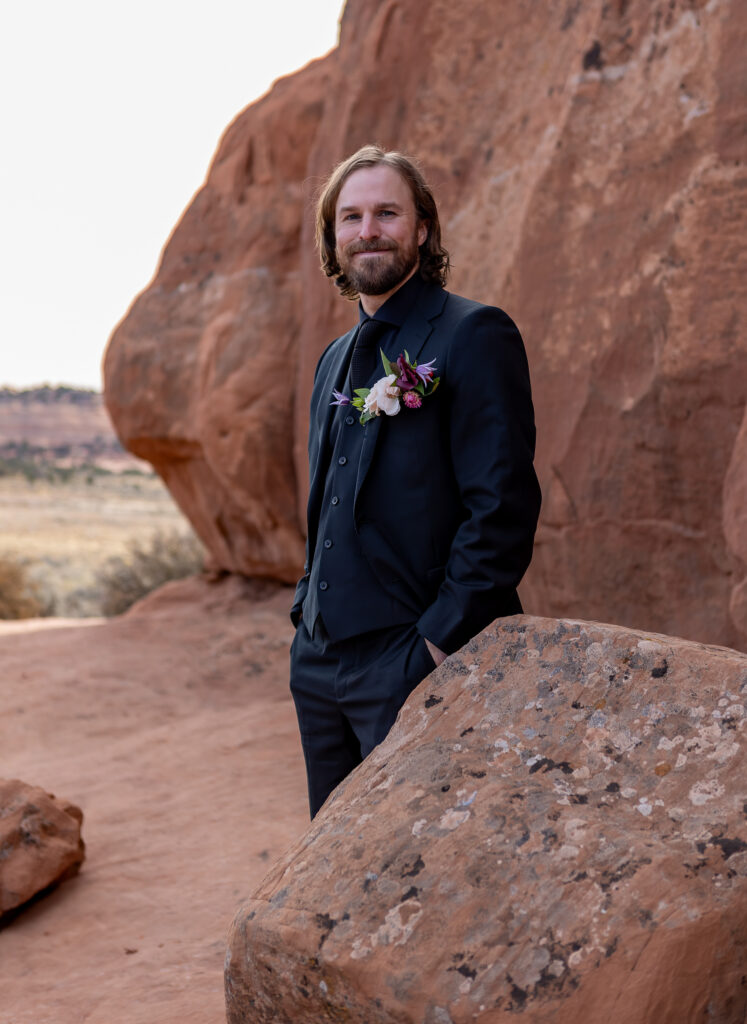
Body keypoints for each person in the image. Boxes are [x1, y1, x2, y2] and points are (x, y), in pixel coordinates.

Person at [290, 145, 541, 818]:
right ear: (333, 236)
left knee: (422, 854)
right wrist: (302, 612)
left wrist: (435, 642)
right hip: (317, 666)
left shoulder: (472, 334)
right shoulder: (332, 359)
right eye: (350, 217)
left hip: (411, 662)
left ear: (421, 229)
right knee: (333, 863)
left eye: (385, 213)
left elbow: (502, 503)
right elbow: (329, 499)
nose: (367, 230)